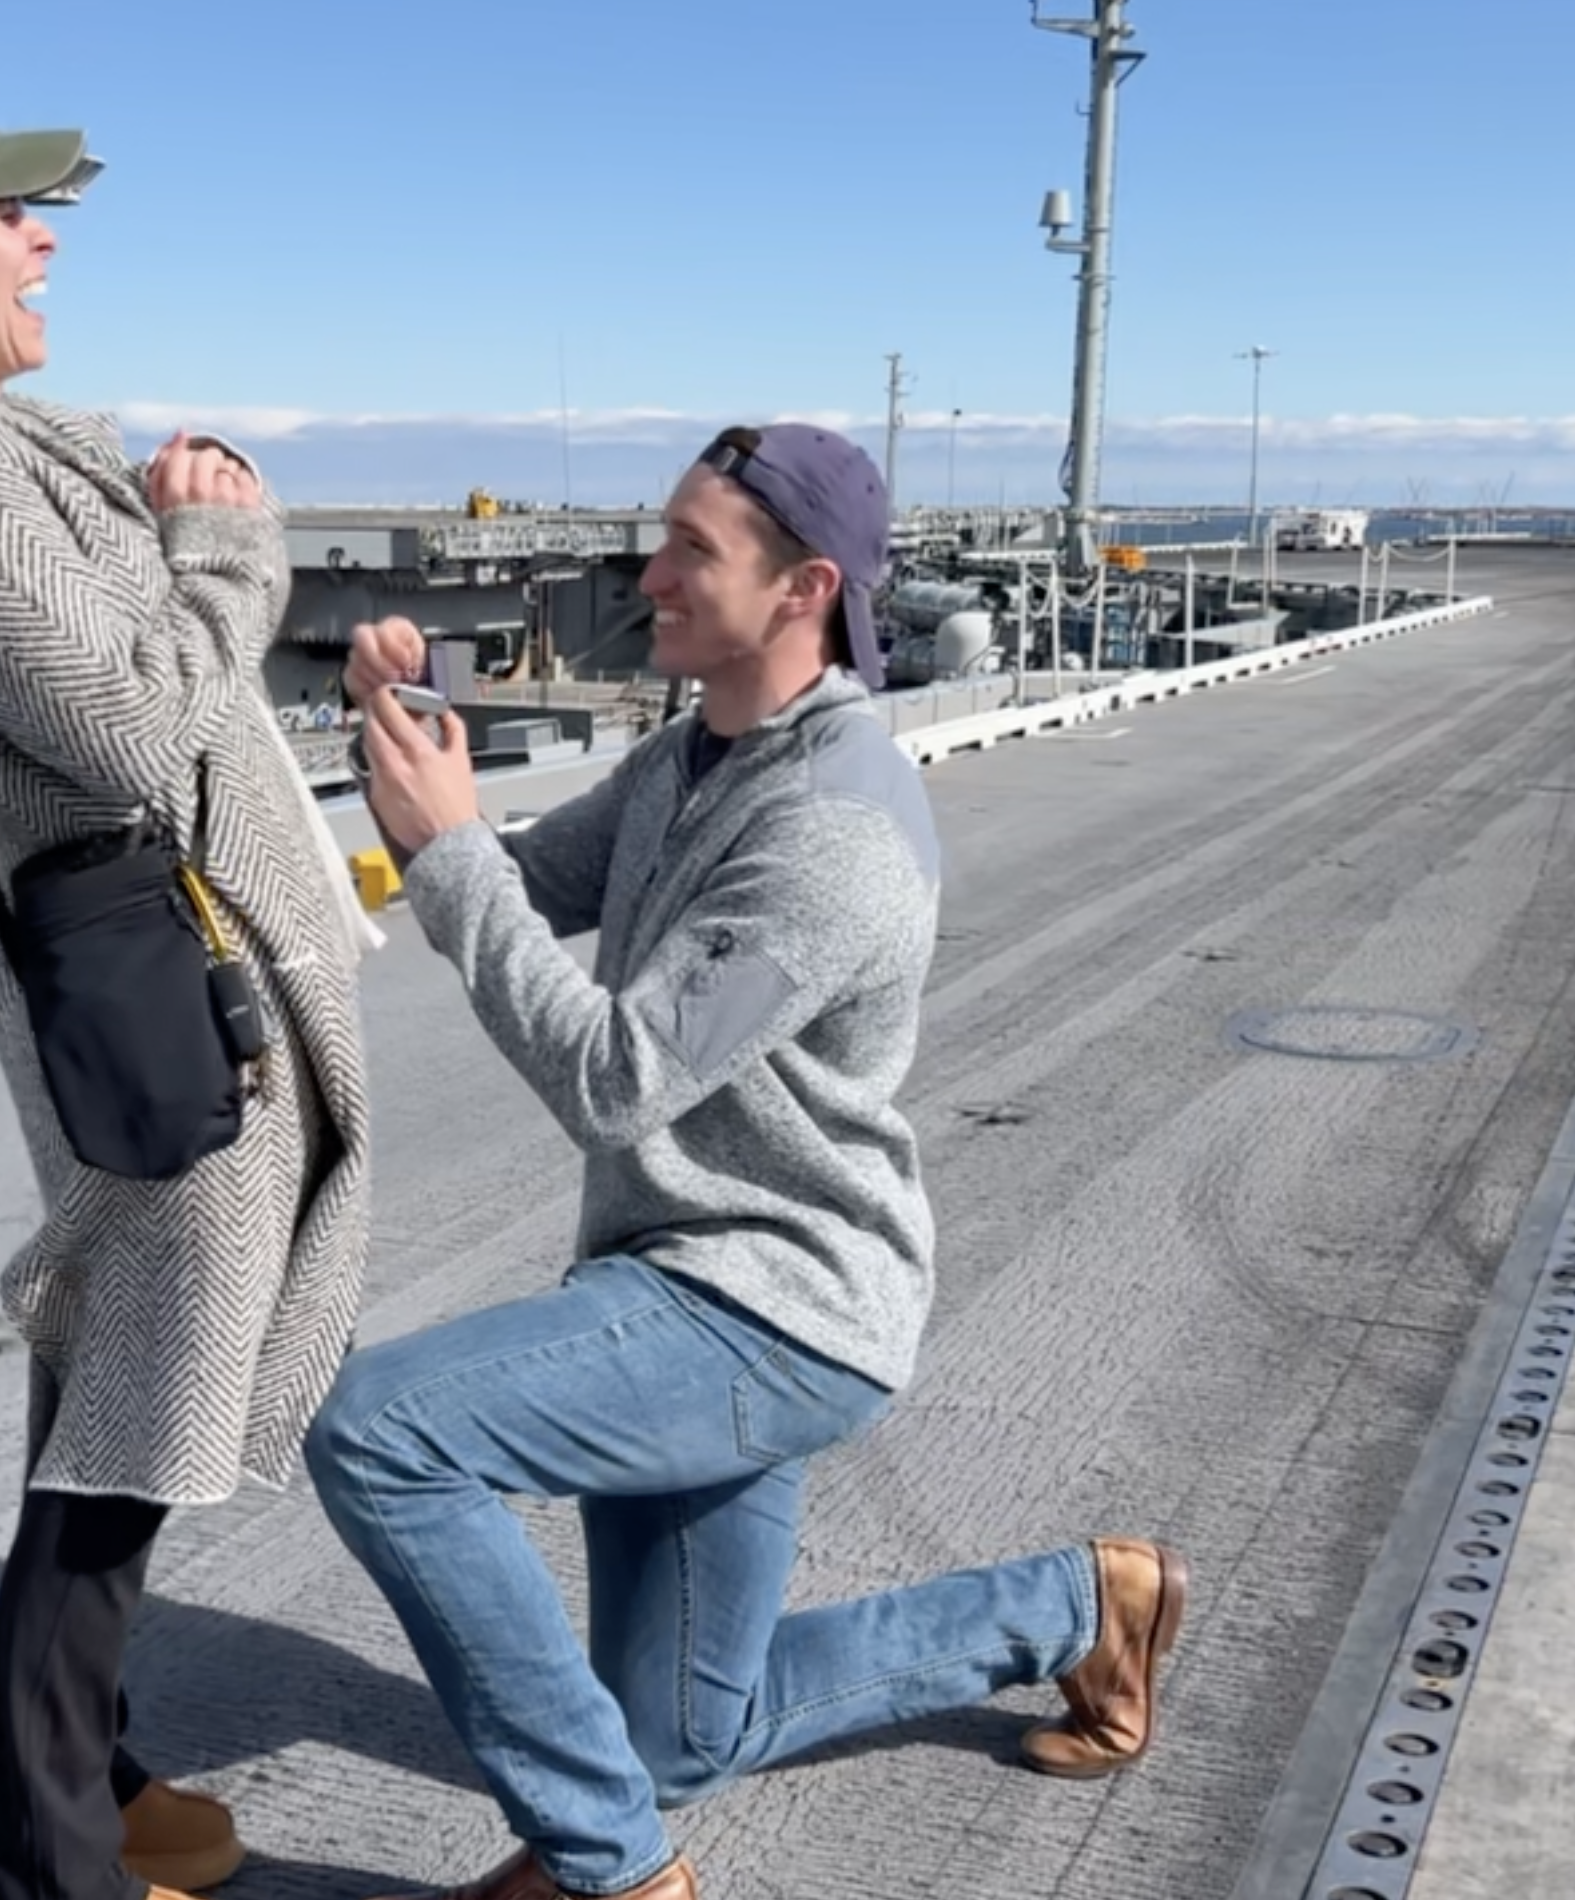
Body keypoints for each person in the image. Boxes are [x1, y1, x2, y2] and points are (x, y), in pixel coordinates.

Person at [309, 424, 1187, 1900]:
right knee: (674, 1737)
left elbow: (615, 1080)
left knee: (382, 1431)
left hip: (771, 1308)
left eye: (688, 551)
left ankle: (613, 1872)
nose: (646, 573)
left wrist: (445, 856)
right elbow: (516, 884)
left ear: (804, 589)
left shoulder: (832, 828)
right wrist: (402, 739)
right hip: (673, 1274)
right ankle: (1081, 1608)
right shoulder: (693, 752)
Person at [0, 82, 383, 1900]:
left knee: (120, 1394)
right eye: (4, 209)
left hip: (183, 980)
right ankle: (36, 1866)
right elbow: (122, 723)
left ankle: (86, 1788)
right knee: (122, 1447)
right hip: (159, 1001)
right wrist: (225, 554)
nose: (44, 234)